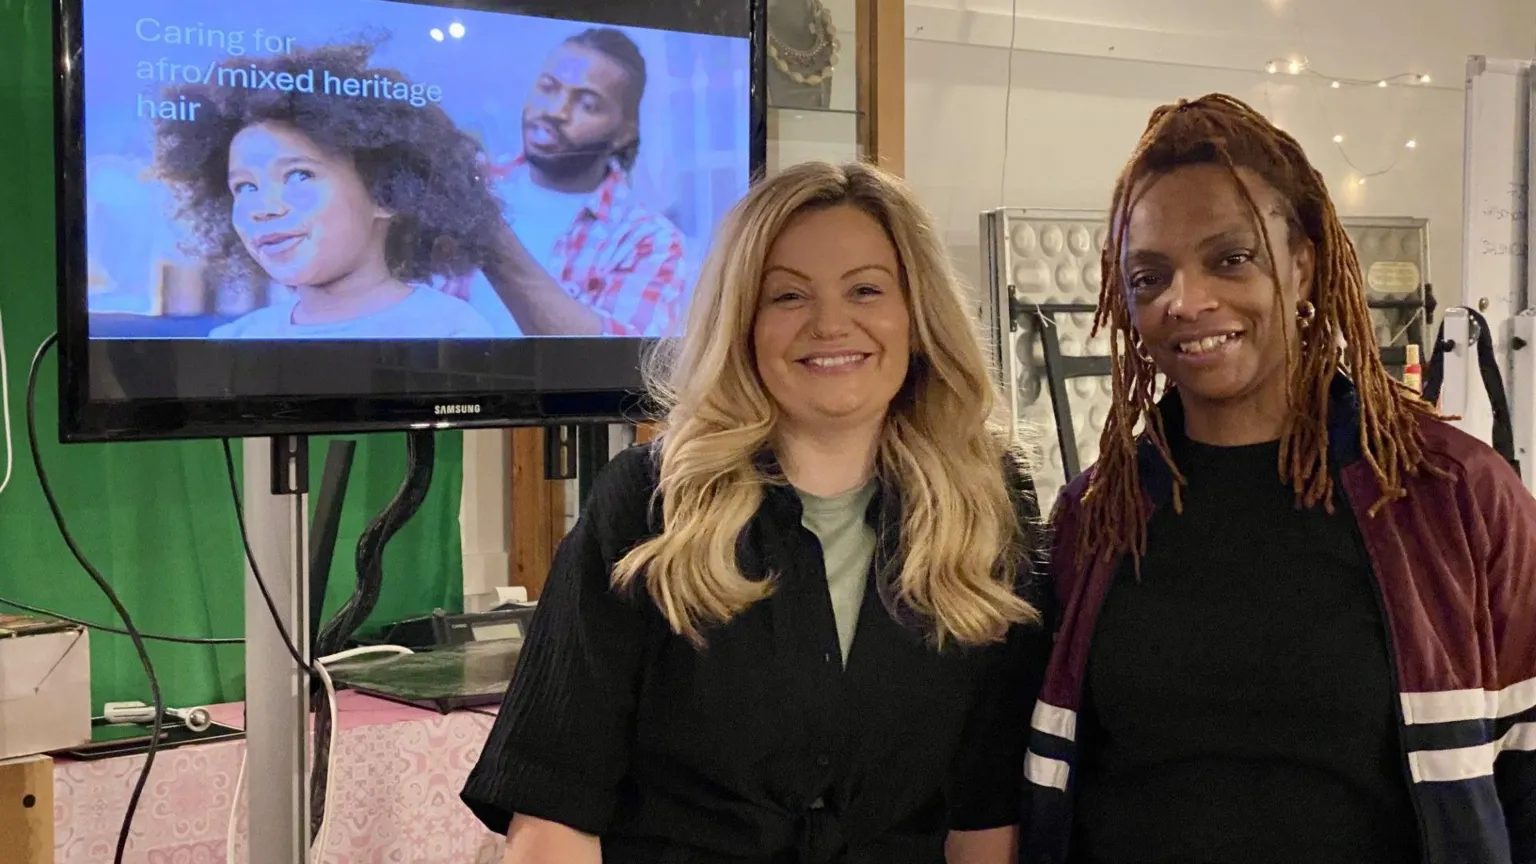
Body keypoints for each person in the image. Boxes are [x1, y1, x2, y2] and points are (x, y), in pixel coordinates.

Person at [461, 161, 1052, 864]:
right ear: (741, 321)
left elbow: (985, 811)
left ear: (917, 316)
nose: (831, 323)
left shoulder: (988, 505)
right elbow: (553, 814)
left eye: (866, 289)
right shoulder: (648, 506)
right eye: (788, 296)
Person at [1025, 93, 1536, 864]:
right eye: (1148, 276)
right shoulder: (1095, 517)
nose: (1186, 301)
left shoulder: (1457, 496)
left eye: (1230, 259)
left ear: (1302, 265)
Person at [154, 42, 498, 339]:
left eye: (299, 176)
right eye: (245, 186)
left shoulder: (451, 331)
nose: (263, 207)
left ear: (386, 192)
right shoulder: (234, 340)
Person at [469, 27, 690, 337]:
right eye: (548, 87)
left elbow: (620, 360)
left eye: (587, 104)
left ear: (624, 133)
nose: (556, 112)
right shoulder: (477, 180)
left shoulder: (649, 241)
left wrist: (485, 229)